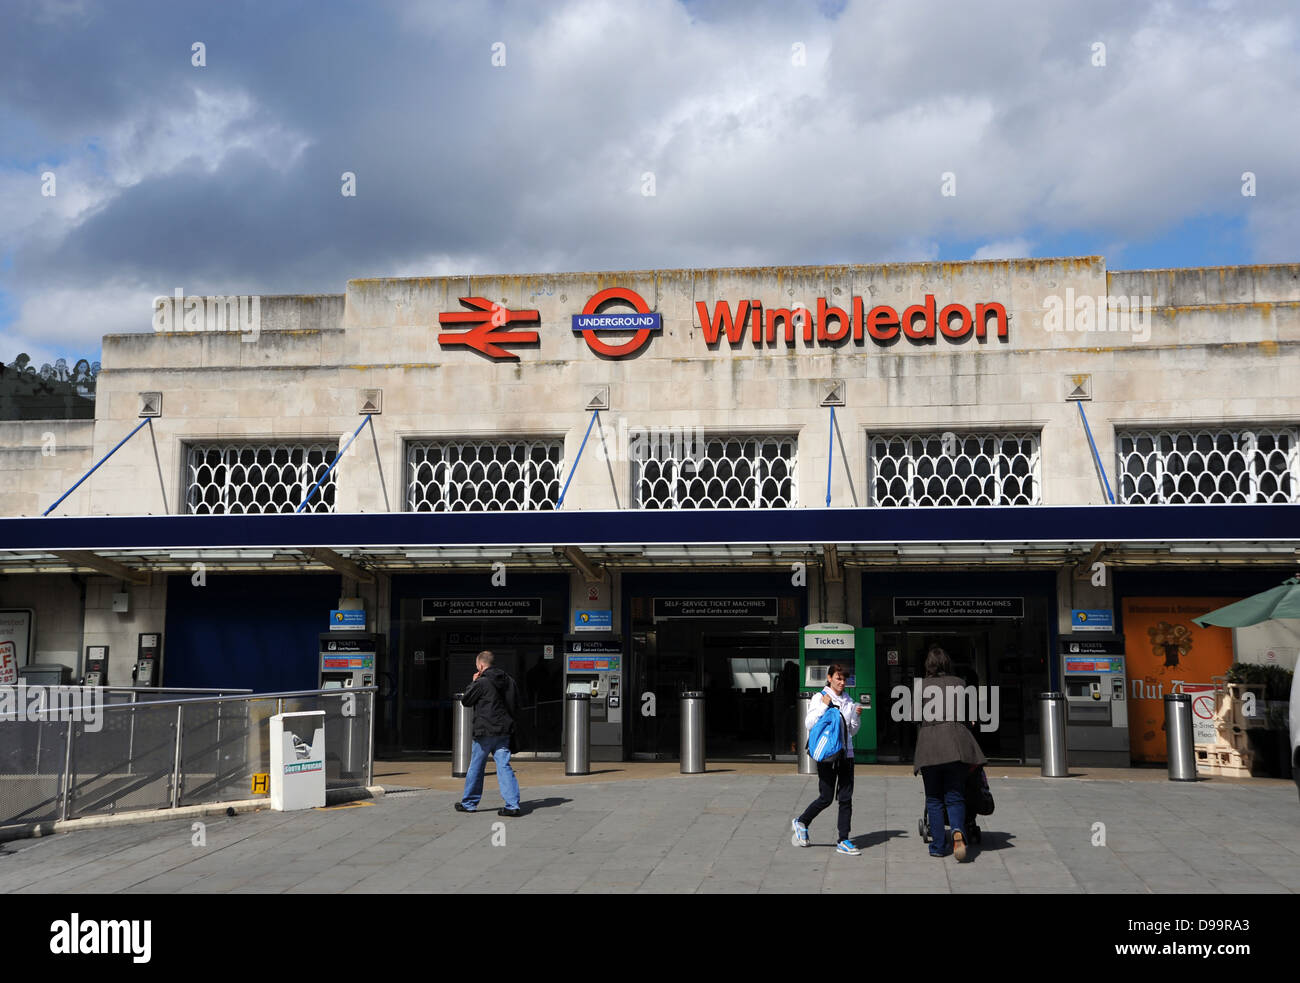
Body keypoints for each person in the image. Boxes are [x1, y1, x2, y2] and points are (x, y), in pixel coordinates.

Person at [913, 646, 986, 860]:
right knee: (955, 795)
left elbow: (915, 717)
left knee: (934, 799)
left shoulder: (921, 686)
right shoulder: (960, 684)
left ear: (928, 665)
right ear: (947, 664)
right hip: (955, 746)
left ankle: (938, 846)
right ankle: (957, 832)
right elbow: (969, 717)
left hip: (929, 748)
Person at [791, 663, 863, 855]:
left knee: (846, 798)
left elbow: (851, 731)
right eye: (838, 678)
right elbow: (809, 724)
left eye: (844, 679)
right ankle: (801, 821)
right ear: (829, 678)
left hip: (846, 754)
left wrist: (856, 718)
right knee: (826, 797)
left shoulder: (849, 700)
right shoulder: (819, 697)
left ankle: (844, 839)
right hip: (828, 756)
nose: (842, 682)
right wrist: (824, 704)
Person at [456, 650, 523, 817]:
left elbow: (466, 701)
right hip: (504, 731)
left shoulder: (482, 682)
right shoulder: (508, 680)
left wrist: (473, 682)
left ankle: (469, 803)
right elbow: (516, 703)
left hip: (485, 731)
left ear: (480, 665)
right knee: (504, 766)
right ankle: (512, 804)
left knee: (476, 767)